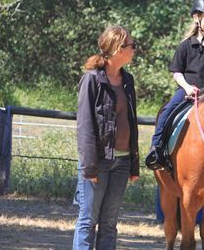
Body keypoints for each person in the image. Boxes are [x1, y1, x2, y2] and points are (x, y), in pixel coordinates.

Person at [145, 0, 204, 170]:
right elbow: (177, 72)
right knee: (167, 110)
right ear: (196, 17)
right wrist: (186, 87)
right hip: (189, 92)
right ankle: (157, 149)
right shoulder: (186, 46)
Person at [74, 26, 139, 250]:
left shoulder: (128, 80)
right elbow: (85, 126)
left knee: (110, 223)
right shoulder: (91, 80)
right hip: (97, 163)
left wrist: (134, 166)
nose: (134, 50)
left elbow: (131, 123)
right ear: (118, 49)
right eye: (132, 46)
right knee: (88, 221)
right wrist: (89, 167)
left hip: (122, 162)